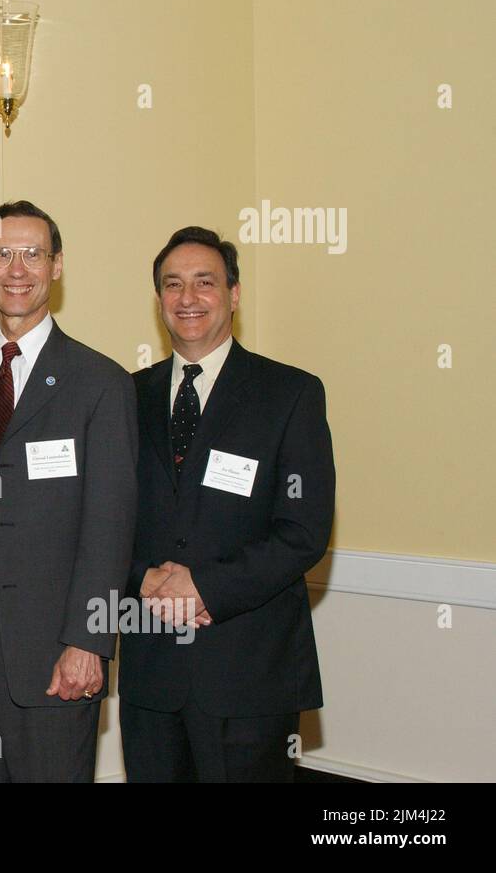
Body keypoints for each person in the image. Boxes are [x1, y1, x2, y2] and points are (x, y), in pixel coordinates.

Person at [119, 225, 335, 782]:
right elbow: (103, 516)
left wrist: (207, 586)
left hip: (248, 673)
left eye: (204, 282)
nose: (187, 298)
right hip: (153, 671)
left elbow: (304, 530)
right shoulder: (126, 396)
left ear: (233, 295)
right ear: (159, 299)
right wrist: (139, 577)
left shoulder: (289, 394)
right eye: (173, 285)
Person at [0, 201, 137, 782]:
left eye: (32, 254)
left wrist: (89, 642)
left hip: (54, 644)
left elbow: (110, 524)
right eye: (3, 254)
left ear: (56, 266)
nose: (16, 269)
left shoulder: (101, 384)